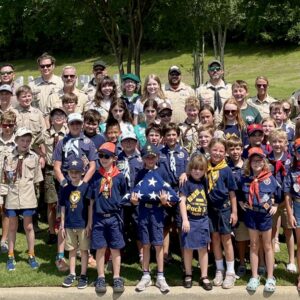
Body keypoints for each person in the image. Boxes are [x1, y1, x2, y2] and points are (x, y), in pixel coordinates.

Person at [53, 112, 97, 269]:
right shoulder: (62, 143)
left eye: (78, 123)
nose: (76, 126)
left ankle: (86, 252)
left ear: (82, 124)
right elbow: (57, 166)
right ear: (68, 125)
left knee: (84, 217)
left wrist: (84, 183)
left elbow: (93, 165)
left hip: (83, 185)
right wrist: (64, 183)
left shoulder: (88, 142)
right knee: (63, 219)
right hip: (67, 184)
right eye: (73, 124)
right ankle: (60, 256)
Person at [88, 142, 128, 293]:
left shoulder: (119, 177)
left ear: (114, 158)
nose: (103, 159)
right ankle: (101, 277)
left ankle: (117, 277)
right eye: (101, 156)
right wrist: (90, 221)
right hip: (98, 217)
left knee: (115, 248)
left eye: (106, 156)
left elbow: (124, 196)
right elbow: (91, 200)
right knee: (100, 248)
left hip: (114, 218)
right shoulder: (96, 176)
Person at [131, 143, 171, 293]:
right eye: (147, 157)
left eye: (152, 157)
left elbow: (169, 194)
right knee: (146, 244)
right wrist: (134, 201)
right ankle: (146, 275)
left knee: (159, 244)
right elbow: (135, 193)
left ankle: (160, 276)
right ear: (143, 159)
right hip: (143, 211)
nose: (150, 159)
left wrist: (164, 201)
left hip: (158, 211)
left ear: (157, 157)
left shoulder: (162, 172)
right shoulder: (139, 174)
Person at [239, 147, 279, 293]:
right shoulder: (244, 178)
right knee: (254, 244)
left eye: (259, 160)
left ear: (264, 161)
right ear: (249, 163)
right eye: (253, 160)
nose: (257, 163)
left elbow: (278, 194)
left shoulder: (269, 178)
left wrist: (274, 204)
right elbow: (238, 193)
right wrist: (240, 203)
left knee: (267, 245)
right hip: (251, 214)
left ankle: (270, 277)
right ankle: (254, 276)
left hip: (264, 215)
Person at [4, 127, 43, 271]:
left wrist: (36, 197)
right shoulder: (8, 157)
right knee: (12, 227)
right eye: (22, 140)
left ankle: (31, 255)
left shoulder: (34, 157)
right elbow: (4, 178)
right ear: (16, 141)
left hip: (28, 196)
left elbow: (37, 180)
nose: (25, 143)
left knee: (29, 226)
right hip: (13, 196)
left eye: (28, 140)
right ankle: (11, 255)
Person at [207, 138, 237, 289]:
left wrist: (234, 212)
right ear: (209, 150)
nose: (217, 153)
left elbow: (232, 192)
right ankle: (220, 269)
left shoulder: (226, 170)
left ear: (225, 153)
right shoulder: (205, 167)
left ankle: (230, 273)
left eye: (221, 151)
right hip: (210, 210)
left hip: (224, 209)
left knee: (226, 239)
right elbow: (192, 172)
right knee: (215, 238)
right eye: (215, 150)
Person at [179, 154, 212, 290]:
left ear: (204, 170)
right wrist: (185, 219)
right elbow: (182, 200)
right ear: (190, 169)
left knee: (203, 249)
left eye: (200, 169)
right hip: (190, 220)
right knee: (188, 249)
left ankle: (204, 276)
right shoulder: (186, 182)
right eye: (194, 169)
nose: (197, 171)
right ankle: (188, 273)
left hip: (203, 220)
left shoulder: (205, 180)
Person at [267, 129, 296, 272]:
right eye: (274, 141)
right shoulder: (267, 159)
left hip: (286, 202)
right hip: (271, 203)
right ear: (270, 143)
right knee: (272, 232)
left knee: (289, 231)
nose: (277, 144)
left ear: (285, 143)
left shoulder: (290, 160)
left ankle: (291, 260)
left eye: (280, 141)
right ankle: (271, 260)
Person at [60, 158, 90, 289]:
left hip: (83, 224)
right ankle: (72, 273)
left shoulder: (86, 187)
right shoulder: (65, 188)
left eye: (77, 172)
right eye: (71, 172)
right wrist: (62, 224)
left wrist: (89, 224)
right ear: (67, 173)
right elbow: (62, 207)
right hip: (69, 224)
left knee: (84, 250)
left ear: (83, 172)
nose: (74, 174)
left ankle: (83, 275)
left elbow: (90, 207)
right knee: (71, 250)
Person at [44, 108, 68, 245]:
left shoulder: (69, 134)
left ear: (65, 118)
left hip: (65, 171)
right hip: (50, 170)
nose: (58, 117)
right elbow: (33, 142)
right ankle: (52, 232)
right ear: (51, 119)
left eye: (61, 115)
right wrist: (41, 155)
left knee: (66, 201)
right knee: (51, 203)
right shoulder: (45, 134)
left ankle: (66, 229)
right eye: (55, 116)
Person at [226, 137, 249, 278]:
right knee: (239, 237)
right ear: (227, 151)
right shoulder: (226, 167)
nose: (235, 152)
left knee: (250, 236)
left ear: (241, 149)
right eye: (232, 149)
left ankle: (254, 261)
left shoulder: (248, 166)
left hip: (248, 206)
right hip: (231, 207)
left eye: (237, 149)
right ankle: (241, 262)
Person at [15, 85, 47, 166]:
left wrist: (42, 156)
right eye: (24, 96)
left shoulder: (38, 113)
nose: (27, 98)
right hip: (16, 152)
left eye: (29, 96)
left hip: (35, 151)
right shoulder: (14, 113)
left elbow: (43, 136)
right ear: (18, 99)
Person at [284, 138, 300, 291]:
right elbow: (287, 194)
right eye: (299, 150)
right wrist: (290, 214)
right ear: (294, 152)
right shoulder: (291, 169)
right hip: (298, 206)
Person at [0, 111, 17, 254]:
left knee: (5, 210)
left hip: (10, 182)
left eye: (10, 125)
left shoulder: (18, 141)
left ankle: (3, 240)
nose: (7, 128)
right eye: (5, 125)